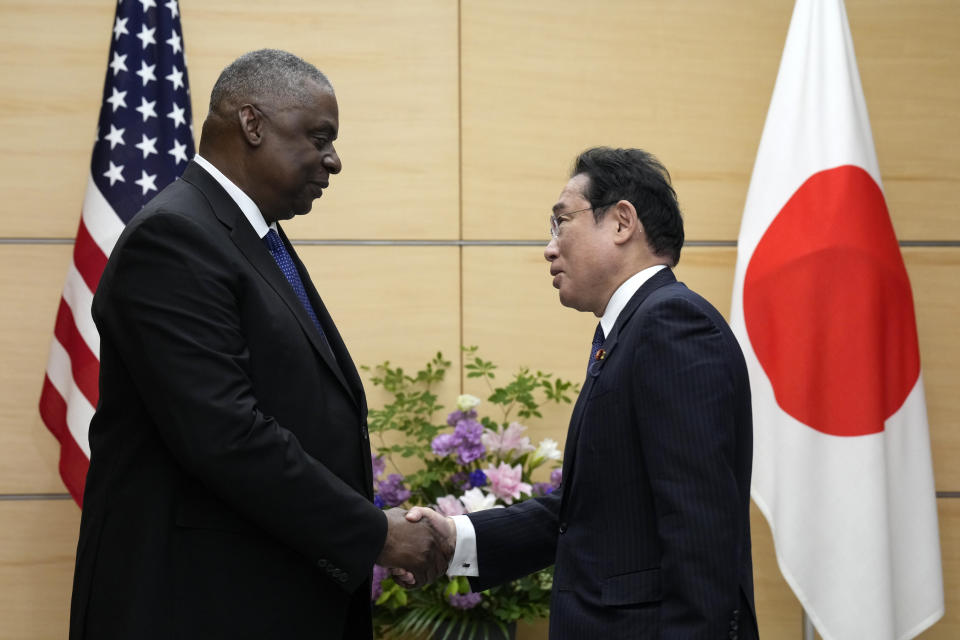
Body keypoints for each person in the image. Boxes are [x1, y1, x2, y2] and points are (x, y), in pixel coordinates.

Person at [68, 49, 448, 640]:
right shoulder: (174, 238)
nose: (334, 160)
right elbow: (225, 433)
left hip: (262, 595)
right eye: (319, 137)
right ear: (252, 124)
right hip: (197, 604)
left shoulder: (250, 235)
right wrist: (377, 534)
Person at [410, 147, 758, 639]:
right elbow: (585, 513)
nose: (549, 248)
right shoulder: (628, 332)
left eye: (561, 222)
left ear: (621, 222)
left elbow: (700, 532)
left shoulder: (671, 323)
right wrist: (456, 537)